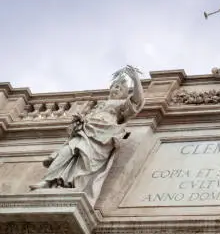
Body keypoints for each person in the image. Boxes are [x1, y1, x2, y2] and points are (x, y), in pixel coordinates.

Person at [29, 65, 144, 200]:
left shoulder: (122, 104)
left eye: (121, 88)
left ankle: (71, 185)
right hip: (85, 130)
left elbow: (137, 100)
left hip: (103, 135)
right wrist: (80, 121)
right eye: (115, 86)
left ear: (125, 93)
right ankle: (48, 181)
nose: (117, 89)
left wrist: (136, 79)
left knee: (86, 160)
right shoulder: (99, 104)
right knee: (66, 152)